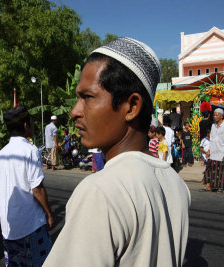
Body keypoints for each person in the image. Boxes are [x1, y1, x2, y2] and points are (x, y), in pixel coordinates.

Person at [43, 37, 190, 267]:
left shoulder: (100, 192)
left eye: (88, 97)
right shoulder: (177, 184)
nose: (74, 111)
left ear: (131, 106)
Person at [0, 106, 54, 266]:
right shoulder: (30, 150)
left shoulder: (1, 154)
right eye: (31, 122)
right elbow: (37, 188)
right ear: (25, 125)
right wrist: (49, 214)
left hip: (9, 227)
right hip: (30, 224)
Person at [204, 108, 224, 193]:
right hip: (213, 152)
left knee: (221, 172)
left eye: (217, 115)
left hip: (222, 153)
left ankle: (220, 187)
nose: (215, 116)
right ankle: (212, 186)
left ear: (222, 116)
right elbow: (211, 139)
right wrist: (208, 150)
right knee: (211, 170)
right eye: (214, 115)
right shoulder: (213, 125)